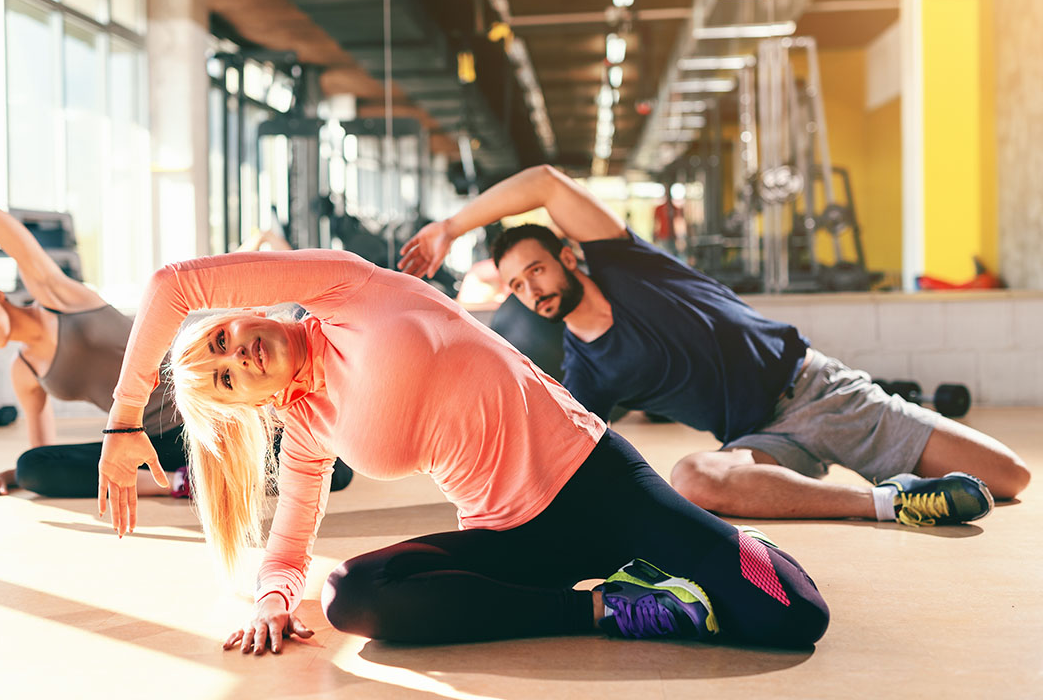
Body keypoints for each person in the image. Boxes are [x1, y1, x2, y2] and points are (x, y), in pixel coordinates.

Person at [96, 248, 828, 654]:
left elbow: (171, 283)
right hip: (509, 536)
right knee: (351, 596)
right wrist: (271, 601)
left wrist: (124, 422)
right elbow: (288, 549)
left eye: (223, 339)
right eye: (225, 379)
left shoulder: (345, 287)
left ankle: (712, 546)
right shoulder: (310, 426)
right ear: (248, 405)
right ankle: (617, 609)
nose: (239, 359)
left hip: (597, 481)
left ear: (245, 312)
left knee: (793, 617)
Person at [399, 165, 1031, 527]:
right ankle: (890, 502)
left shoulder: (626, 263)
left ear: (568, 256)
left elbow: (542, 181)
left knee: (1008, 477)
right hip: (762, 436)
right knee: (694, 476)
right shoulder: (587, 370)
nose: (529, 290)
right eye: (514, 285)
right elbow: (563, 450)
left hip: (817, 388)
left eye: (535, 270)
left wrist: (451, 228)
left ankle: (891, 462)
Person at [0, 193, 352, 498]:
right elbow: (44, 449)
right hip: (146, 448)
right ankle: (182, 483)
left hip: (208, 414)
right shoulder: (24, 373)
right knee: (32, 467)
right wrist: (10, 477)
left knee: (340, 472)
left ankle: (198, 477)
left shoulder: (58, 295)